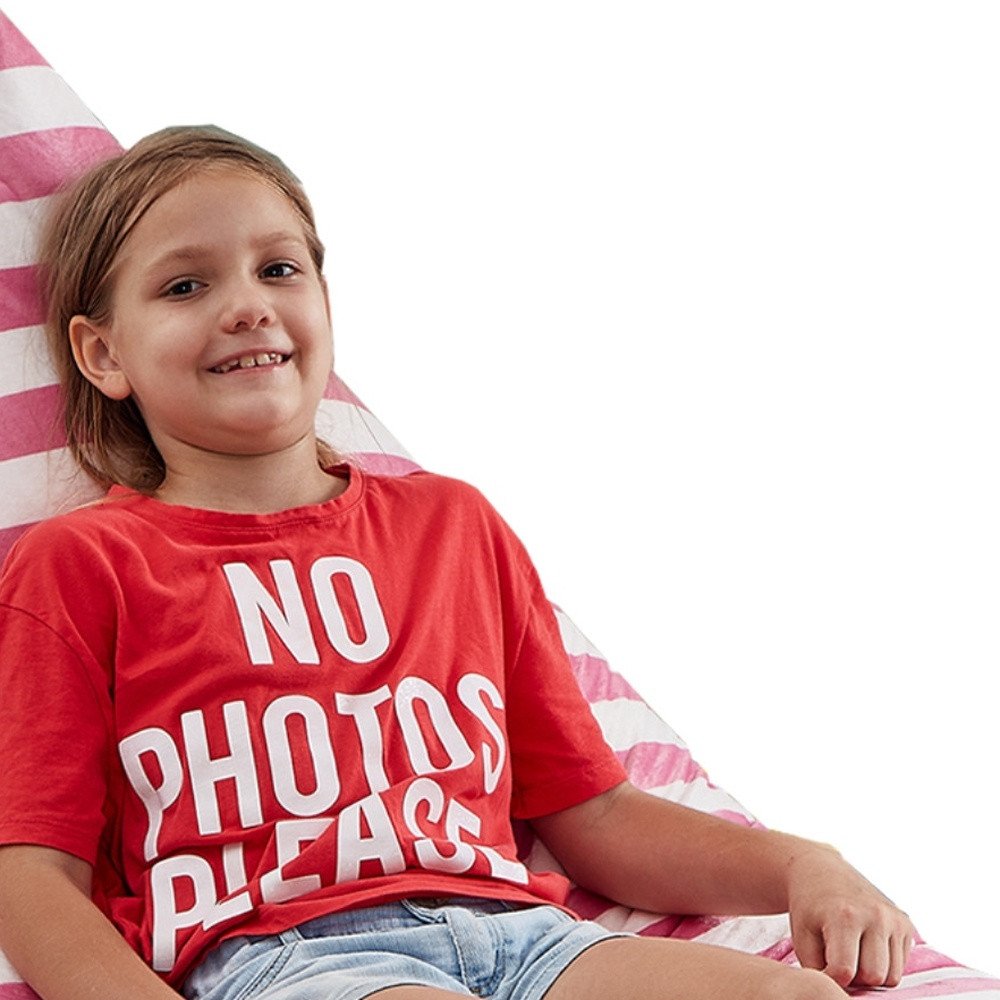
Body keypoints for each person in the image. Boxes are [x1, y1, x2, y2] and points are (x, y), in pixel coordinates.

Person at [0, 126, 914, 1000]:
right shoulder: (80, 567)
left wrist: (806, 865)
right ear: (102, 353)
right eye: (186, 286)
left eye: (279, 268)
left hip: (526, 936)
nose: (248, 304)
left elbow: (596, 818)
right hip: (280, 960)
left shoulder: (454, 527)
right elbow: (32, 875)